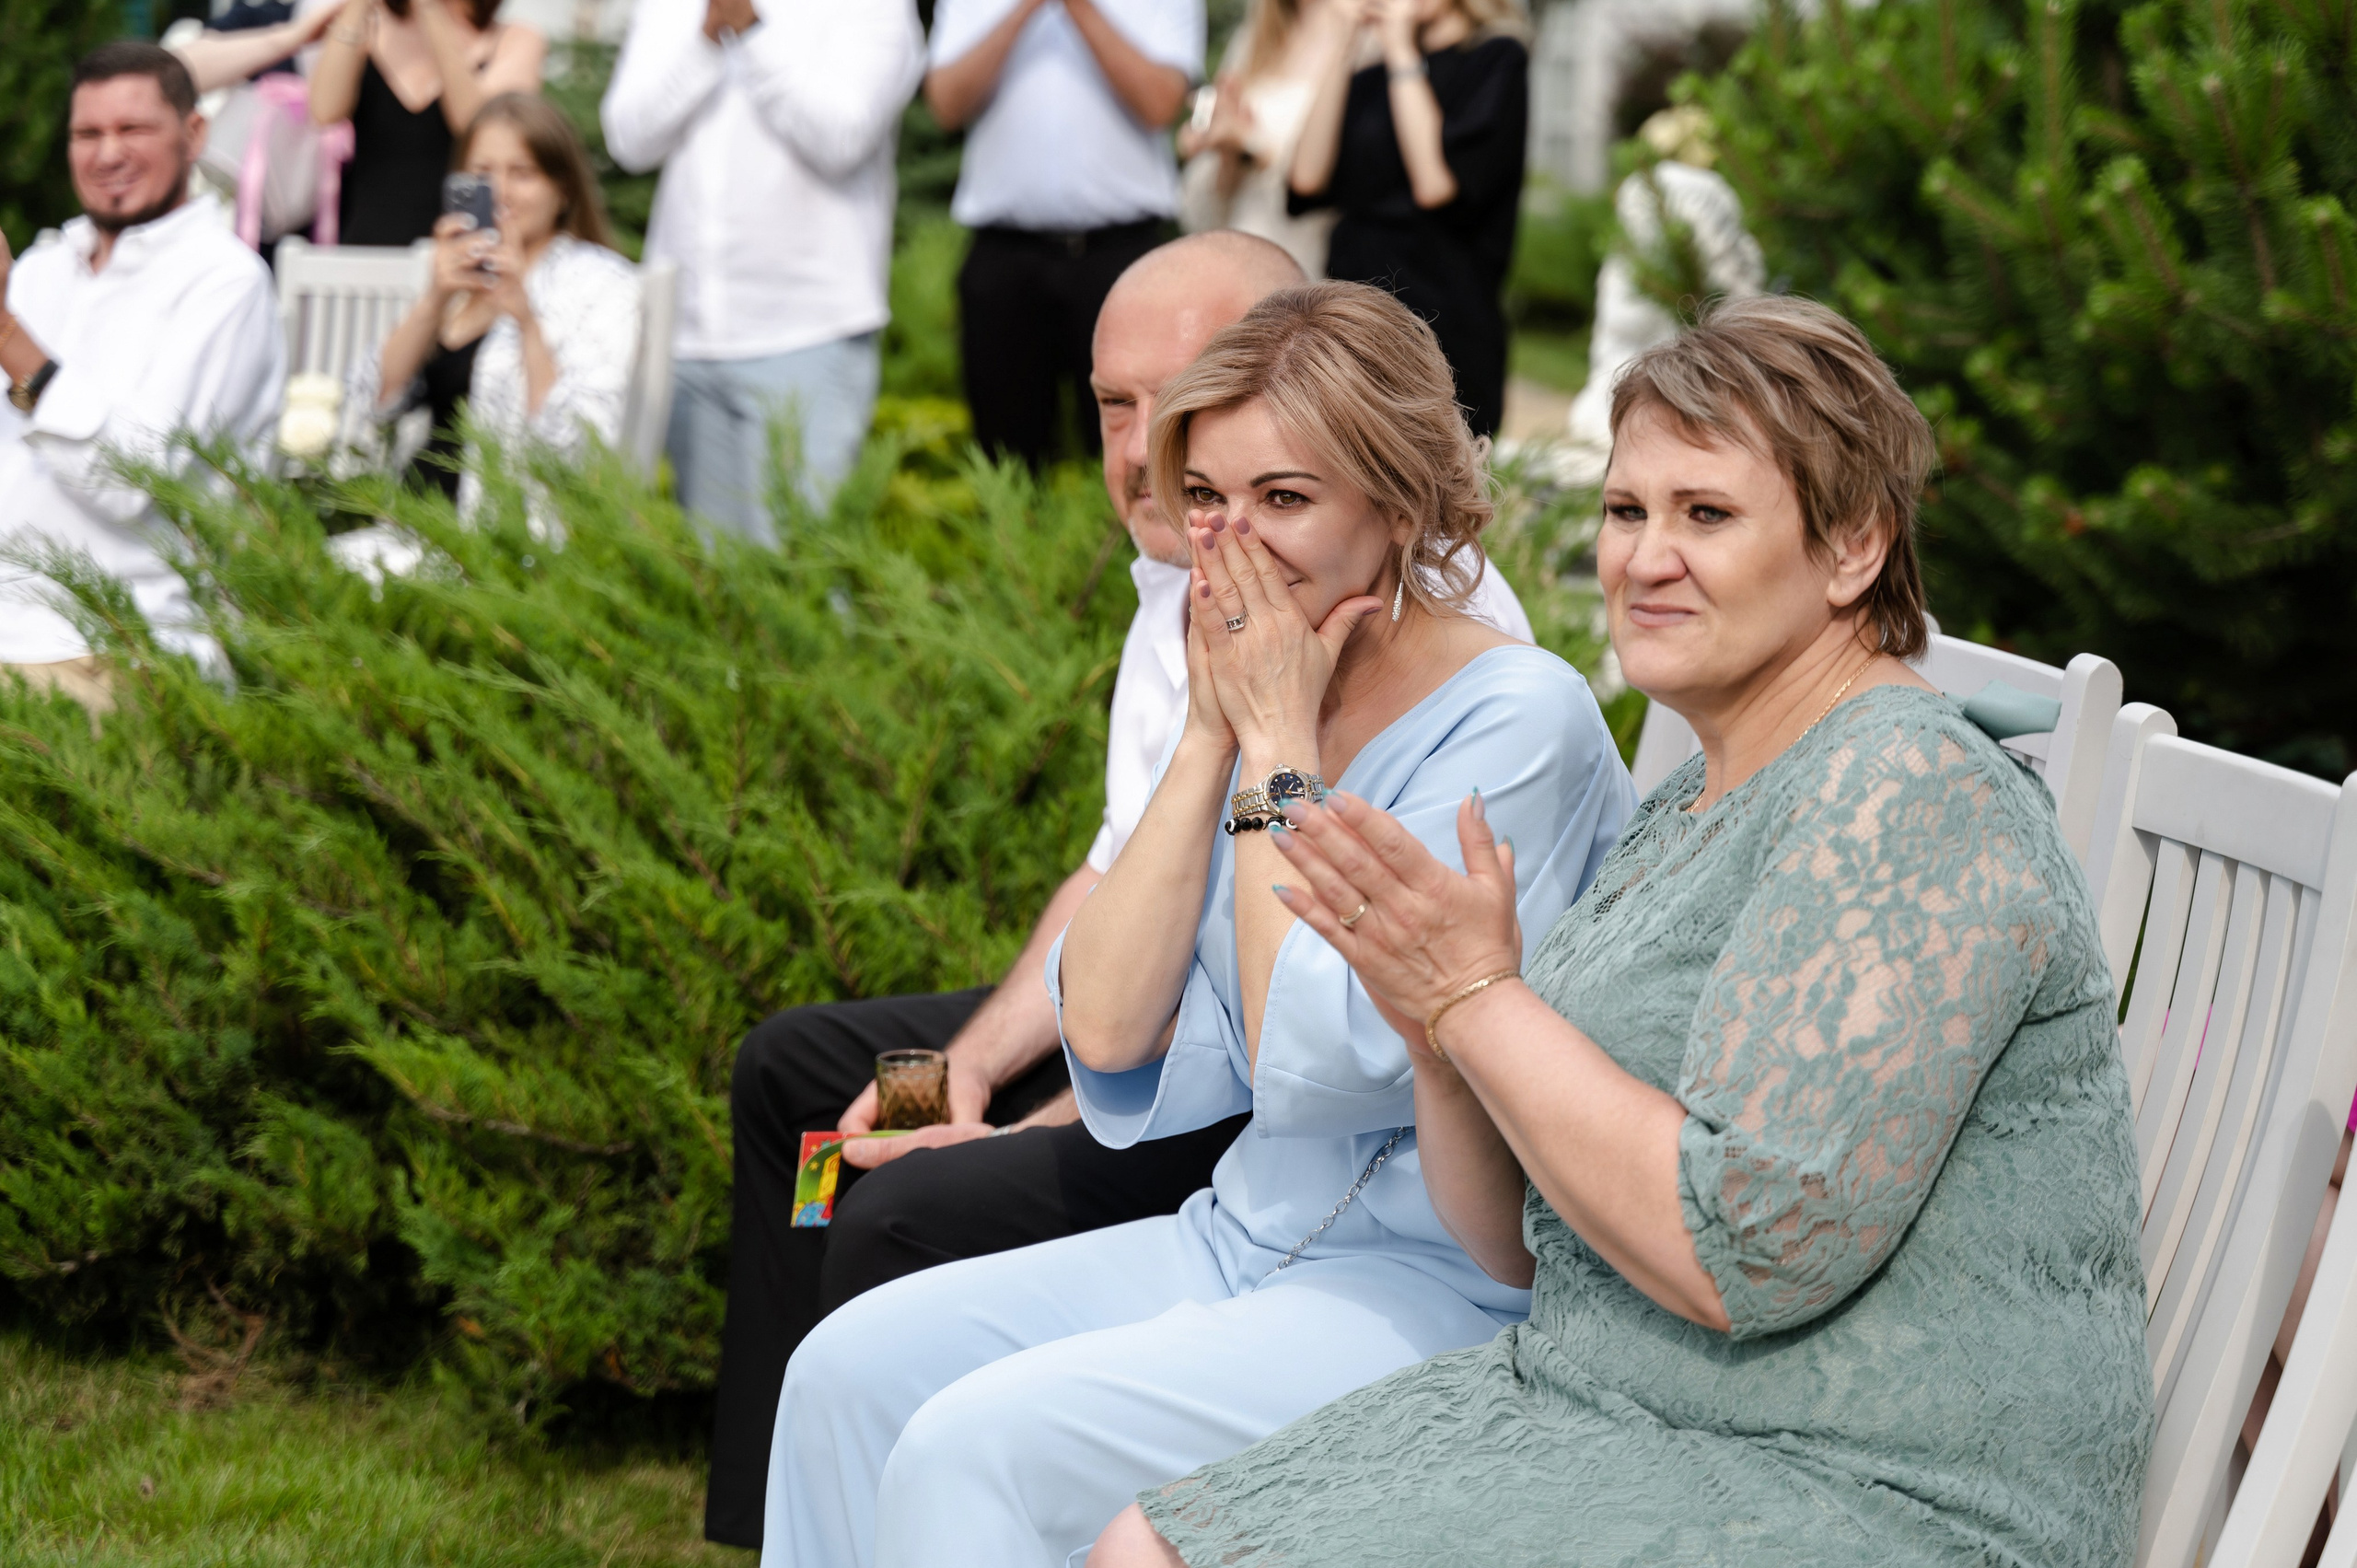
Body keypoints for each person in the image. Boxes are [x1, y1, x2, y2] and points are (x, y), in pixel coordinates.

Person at [1088, 295, 2153, 1568]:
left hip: (1872, 1485)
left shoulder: (1911, 792)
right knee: (1147, 1542)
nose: (1645, 557)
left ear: (1854, 544)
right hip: (1627, 1403)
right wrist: (1442, 1029)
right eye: (1625, 511)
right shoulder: (1699, 800)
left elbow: (1744, 1248)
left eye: (1705, 514)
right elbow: (1519, 1243)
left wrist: (1478, 994)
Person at [761, 279, 1634, 1568]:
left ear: (1397, 507)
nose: (1230, 539)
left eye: (1284, 498)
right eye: (1211, 496)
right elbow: (1106, 1023)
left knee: (969, 1447)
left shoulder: (1518, 719)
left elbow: (1325, 1062)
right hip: (1237, 1235)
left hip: (1437, 1288)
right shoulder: (1260, 686)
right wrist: (1213, 734)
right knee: (844, 1367)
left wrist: (1277, 744)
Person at [0, 43, 284, 710]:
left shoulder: (226, 281)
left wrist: (8, 336)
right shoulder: (43, 268)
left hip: (121, 648)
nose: (107, 154)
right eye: (87, 133)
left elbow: (132, 482)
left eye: (133, 130)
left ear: (194, 135)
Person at [600, 0, 922, 539]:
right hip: (689, 335)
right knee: (716, 584)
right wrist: (705, 41)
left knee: (804, 576)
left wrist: (751, 31)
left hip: (807, 333)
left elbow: (843, 136)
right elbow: (628, 140)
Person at [925, 0, 1202, 470]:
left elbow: (1161, 103)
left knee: (1141, 453)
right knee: (1005, 460)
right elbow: (945, 104)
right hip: (1004, 256)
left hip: (1122, 256)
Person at [359, 93, 637, 515]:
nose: (500, 193)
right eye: (482, 173)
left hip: (507, 541)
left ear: (562, 189)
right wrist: (434, 299)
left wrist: (525, 320)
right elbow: (370, 402)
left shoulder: (601, 284)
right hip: (409, 521)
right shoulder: (453, 274)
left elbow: (579, 451)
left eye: (522, 173)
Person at [1289, 0, 1527, 439]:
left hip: (1443, 318)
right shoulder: (1369, 79)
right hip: (1353, 313)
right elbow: (1305, 179)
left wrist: (1400, 50)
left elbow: (1435, 184)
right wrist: (1343, 45)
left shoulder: (1496, 60)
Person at [1561, 105, 1765, 482]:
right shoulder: (1708, 190)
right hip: (1678, 308)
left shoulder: (1638, 185)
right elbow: (1728, 267)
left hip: (1630, 301)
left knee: (1618, 374)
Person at [308, 0, 545, 248]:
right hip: (367, 251)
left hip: (465, 252)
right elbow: (324, 111)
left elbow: (475, 126)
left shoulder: (516, 39)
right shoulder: (371, 32)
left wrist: (430, 10)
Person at [1176, 0, 1343, 277]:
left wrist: (1250, 142)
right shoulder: (1251, 38)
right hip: (1239, 256)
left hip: (1315, 270)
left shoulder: (1367, 37)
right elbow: (1202, 213)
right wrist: (1225, 149)